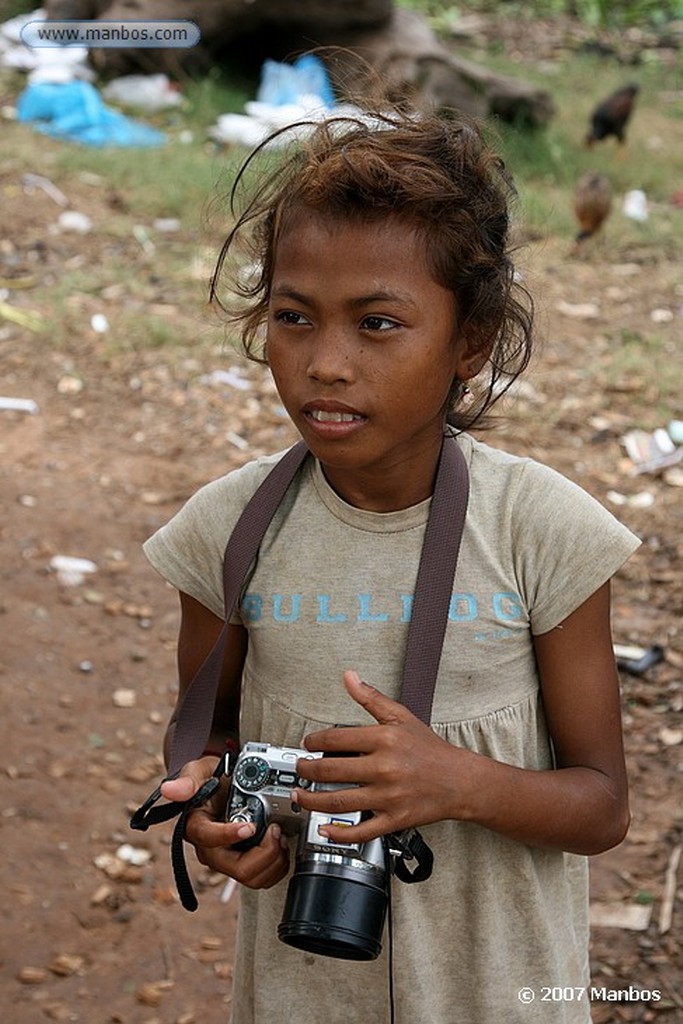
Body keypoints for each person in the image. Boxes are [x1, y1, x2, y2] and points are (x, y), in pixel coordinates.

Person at [143, 109, 641, 1024]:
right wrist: (215, 817)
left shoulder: (543, 532)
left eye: (377, 323)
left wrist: (459, 783)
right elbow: (206, 741)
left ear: (469, 342)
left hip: (497, 993)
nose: (324, 364)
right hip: (304, 995)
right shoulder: (228, 531)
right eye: (293, 317)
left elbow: (602, 806)